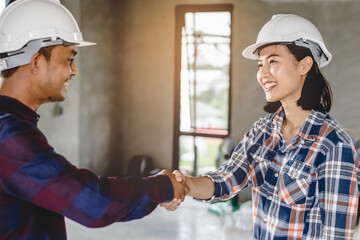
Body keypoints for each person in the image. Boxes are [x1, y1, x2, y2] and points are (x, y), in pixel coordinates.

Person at [161, 14, 360, 239]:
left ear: (304, 64)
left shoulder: (334, 146)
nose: (263, 74)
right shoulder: (263, 131)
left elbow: (336, 234)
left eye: (273, 61)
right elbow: (226, 179)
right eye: (260, 64)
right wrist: (185, 185)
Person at [0, 0, 185, 239]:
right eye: (68, 59)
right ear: (36, 62)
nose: (74, 70)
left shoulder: (14, 126)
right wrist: (162, 186)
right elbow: (93, 202)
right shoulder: (9, 136)